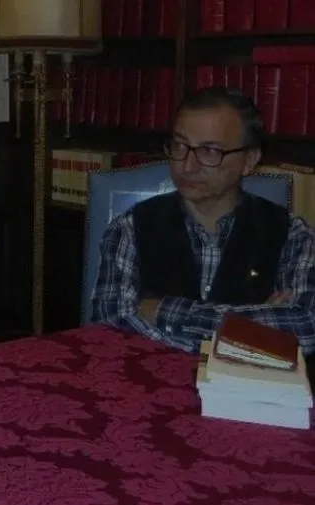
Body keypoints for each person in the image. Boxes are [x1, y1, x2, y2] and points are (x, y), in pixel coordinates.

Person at [91, 86, 315, 356]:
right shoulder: (129, 227)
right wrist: (257, 330)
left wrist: (160, 311)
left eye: (210, 151)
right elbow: (112, 326)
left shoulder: (292, 233)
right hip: (145, 388)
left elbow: (306, 328)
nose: (187, 166)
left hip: (247, 394)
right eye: (180, 146)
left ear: (249, 160)